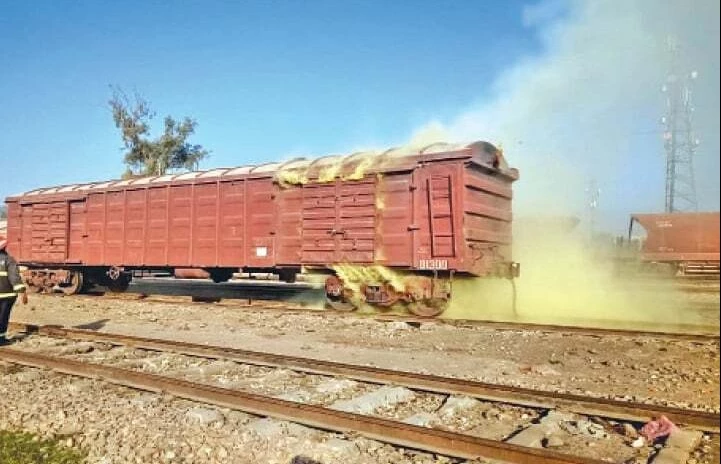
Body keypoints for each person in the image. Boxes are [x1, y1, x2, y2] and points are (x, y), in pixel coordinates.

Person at [0, 236, 27, 345]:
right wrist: (22, 292)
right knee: (3, 317)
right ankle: (1, 339)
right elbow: (14, 277)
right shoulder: (9, 260)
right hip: (7, 295)